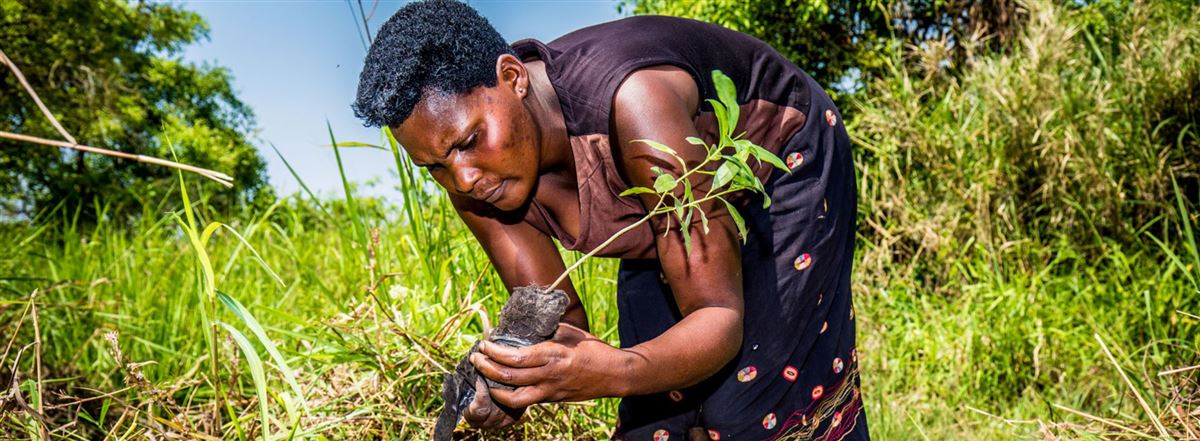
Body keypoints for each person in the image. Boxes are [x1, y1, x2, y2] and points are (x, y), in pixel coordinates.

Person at [353, 1, 866, 439]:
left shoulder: (634, 103)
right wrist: (508, 384)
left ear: (512, 78)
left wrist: (617, 369)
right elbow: (564, 325)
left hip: (781, 168)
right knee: (655, 422)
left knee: (749, 407)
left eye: (468, 141)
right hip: (666, 223)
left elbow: (718, 316)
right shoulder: (475, 185)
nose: (462, 178)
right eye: (434, 167)